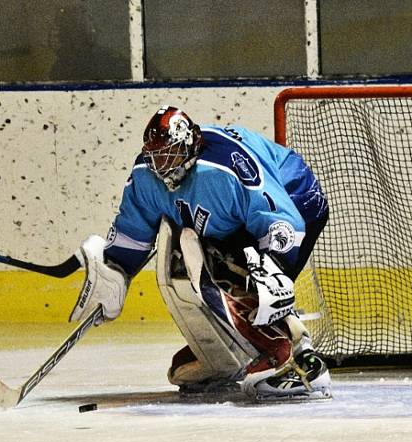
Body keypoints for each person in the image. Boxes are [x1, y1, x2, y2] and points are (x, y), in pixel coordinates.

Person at [69, 105, 332, 401]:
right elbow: (133, 229)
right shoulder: (146, 174)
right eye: (156, 157)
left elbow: (279, 216)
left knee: (238, 276)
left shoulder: (226, 168)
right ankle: (225, 352)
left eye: (170, 155)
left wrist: (274, 264)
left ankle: (293, 359)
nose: (162, 166)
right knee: (186, 256)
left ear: (191, 145)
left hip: (295, 201)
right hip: (237, 222)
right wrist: (115, 272)